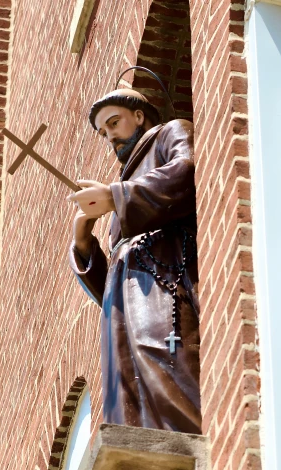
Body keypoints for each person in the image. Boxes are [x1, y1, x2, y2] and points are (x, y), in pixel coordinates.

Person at [68, 88, 201, 434]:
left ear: (139, 116)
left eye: (114, 122)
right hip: (125, 305)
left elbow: (187, 172)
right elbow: (110, 286)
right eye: (103, 131)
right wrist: (85, 246)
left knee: (163, 367)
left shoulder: (169, 133)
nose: (110, 135)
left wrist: (115, 196)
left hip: (163, 282)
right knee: (127, 388)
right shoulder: (124, 183)